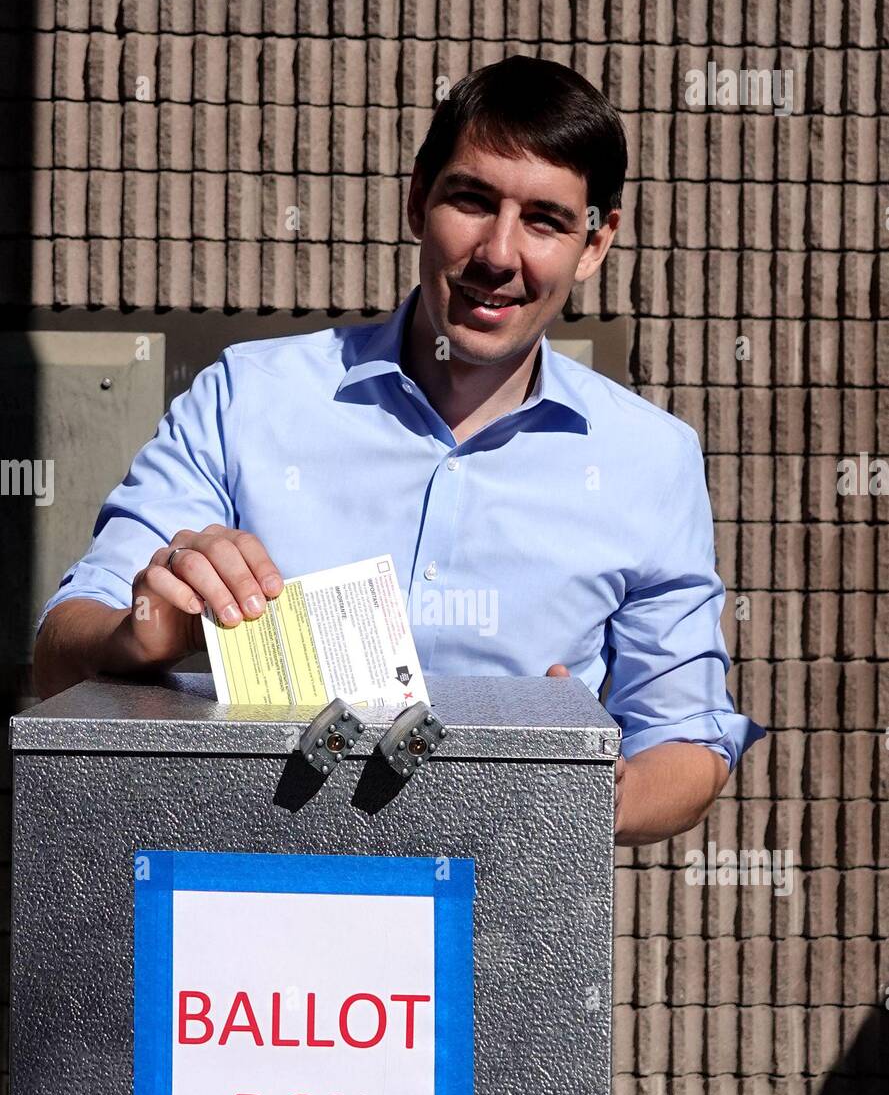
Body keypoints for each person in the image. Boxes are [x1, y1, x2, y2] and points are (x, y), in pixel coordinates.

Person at [33, 55, 765, 846]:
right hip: (248, 909)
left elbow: (688, 737)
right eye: (472, 200)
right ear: (418, 199)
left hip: (501, 926)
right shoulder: (247, 399)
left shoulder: (648, 460)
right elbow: (57, 658)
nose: (498, 254)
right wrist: (143, 631)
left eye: (545, 220)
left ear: (594, 243)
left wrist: (591, 798)